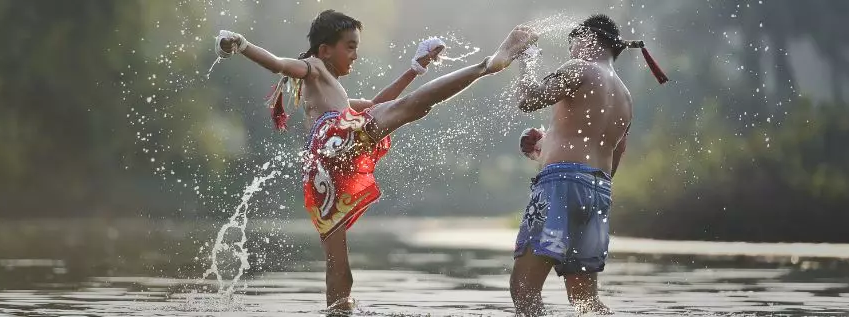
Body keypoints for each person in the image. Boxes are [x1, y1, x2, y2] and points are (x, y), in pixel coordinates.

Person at [215, 9, 538, 312]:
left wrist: (415, 68)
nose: (355, 54)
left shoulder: (332, 88)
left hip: (321, 170)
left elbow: (377, 104)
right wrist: (242, 45)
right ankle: (487, 65)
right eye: (350, 47)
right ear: (325, 50)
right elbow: (278, 64)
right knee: (413, 108)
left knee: (338, 263)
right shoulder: (313, 67)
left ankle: (338, 309)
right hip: (334, 141)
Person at [510, 14, 667, 316]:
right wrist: (543, 147)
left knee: (524, 290)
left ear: (588, 39)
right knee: (586, 303)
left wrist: (526, 56)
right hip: (598, 192)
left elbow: (528, 98)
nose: (570, 52)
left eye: (573, 43)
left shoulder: (579, 68)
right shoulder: (625, 96)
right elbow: (610, 160)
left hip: (559, 185)